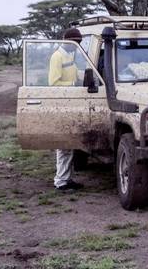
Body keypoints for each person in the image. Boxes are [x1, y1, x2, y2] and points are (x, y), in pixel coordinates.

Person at [49, 27, 84, 191]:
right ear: (68, 40)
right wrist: (72, 85)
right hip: (62, 103)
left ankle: (66, 179)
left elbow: (76, 74)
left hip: (71, 101)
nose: (77, 45)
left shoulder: (69, 55)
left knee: (69, 145)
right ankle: (61, 182)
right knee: (63, 145)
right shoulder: (57, 57)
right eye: (76, 42)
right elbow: (54, 83)